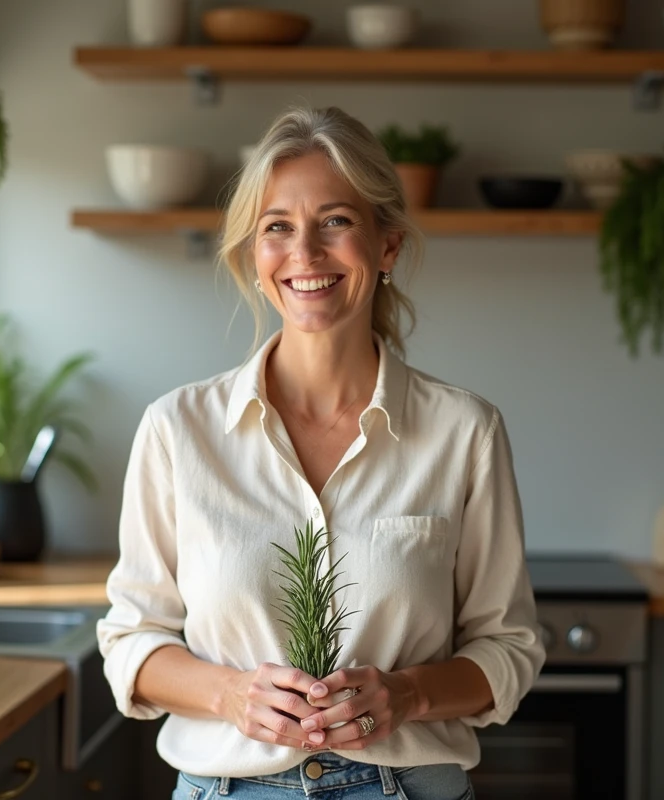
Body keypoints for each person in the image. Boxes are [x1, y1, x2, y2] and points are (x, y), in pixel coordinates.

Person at [97, 105, 545, 800]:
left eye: (335, 221)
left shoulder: (465, 432)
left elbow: (508, 647)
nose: (304, 254)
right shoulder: (177, 430)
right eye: (277, 227)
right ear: (254, 256)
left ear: (387, 246)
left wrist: (408, 694)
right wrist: (227, 695)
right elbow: (132, 641)